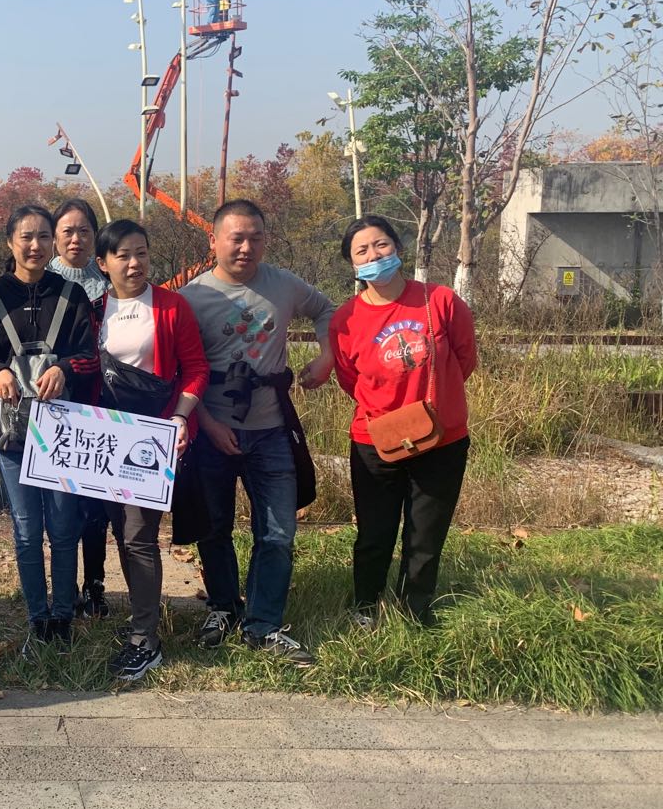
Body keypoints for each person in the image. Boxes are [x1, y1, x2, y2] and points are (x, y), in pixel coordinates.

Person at [182, 199, 334, 666]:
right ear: (214, 241)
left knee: (278, 532)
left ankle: (263, 624)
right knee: (214, 528)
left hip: (271, 430)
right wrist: (209, 424)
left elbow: (327, 310)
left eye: (256, 238)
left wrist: (326, 357)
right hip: (214, 432)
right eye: (237, 238)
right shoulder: (191, 298)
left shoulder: (284, 284)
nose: (246, 247)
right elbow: (182, 371)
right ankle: (223, 608)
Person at [329, 215, 477, 628]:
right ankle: (365, 606)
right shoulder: (346, 319)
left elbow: (464, 360)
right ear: (352, 263)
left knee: (425, 535)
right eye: (362, 250)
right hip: (374, 441)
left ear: (397, 247)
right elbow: (350, 379)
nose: (373, 255)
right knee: (374, 534)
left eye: (381, 245)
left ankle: (414, 612)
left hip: (441, 438)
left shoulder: (441, 301)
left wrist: (430, 403)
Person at [93, 218, 209, 680]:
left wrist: (179, 417)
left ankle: (146, 639)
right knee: (122, 532)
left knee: (140, 535)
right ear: (103, 263)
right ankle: (139, 617)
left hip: (149, 440)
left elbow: (197, 368)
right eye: (122, 255)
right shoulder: (93, 310)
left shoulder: (171, 307)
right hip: (104, 440)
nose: (134, 263)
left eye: (140, 252)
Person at [0, 204, 98, 652]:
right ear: (10, 242)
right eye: (26, 237)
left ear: (53, 243)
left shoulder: (72, 295)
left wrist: (64, 368)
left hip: (63, 431)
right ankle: (37, 617)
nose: (35, 245)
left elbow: (91, 356)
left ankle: (63, 615)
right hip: (10, 433)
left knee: (64, 526)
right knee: (27, 529)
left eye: (44, 236)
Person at [47, 198, 111, 618]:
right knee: (60, 504)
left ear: (94, 236)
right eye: (67, 231)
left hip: (101, 404)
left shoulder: (110, 284)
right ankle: (64, 585)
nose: (76, 238)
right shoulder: (41, 282)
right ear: (55, 237)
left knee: (95, 505)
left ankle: (95, 583)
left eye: (84, 230)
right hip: (53, 407)